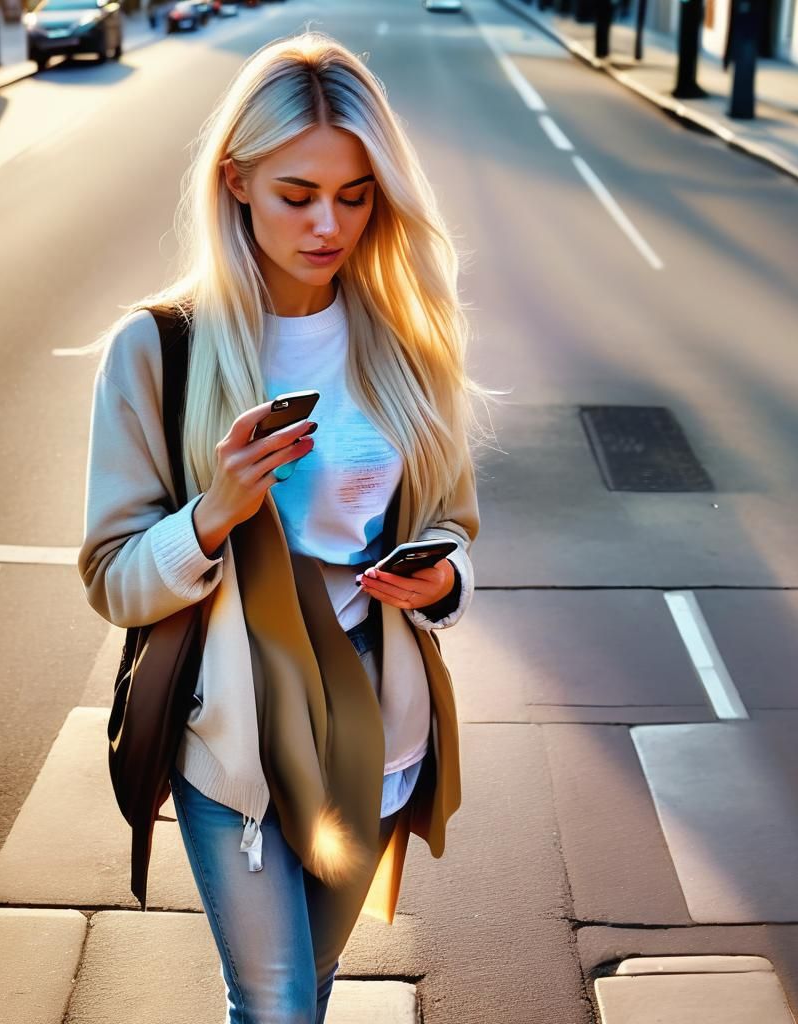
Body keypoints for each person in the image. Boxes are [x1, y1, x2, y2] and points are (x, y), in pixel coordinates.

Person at [77, 29, 503, 1024]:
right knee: (271, 1004)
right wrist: (213, 513)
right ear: (234, 182)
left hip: (379, 734)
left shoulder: (408, 346)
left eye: (355, 196)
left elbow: (455, 529)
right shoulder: (159, 349)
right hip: (232, 737)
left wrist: (441, 584)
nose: (328, 224)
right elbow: (110, 575)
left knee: (306, 991)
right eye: (296, 194)